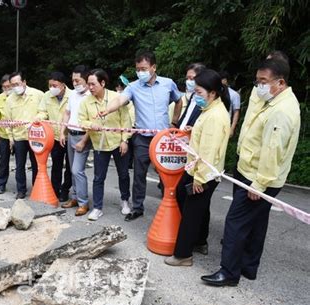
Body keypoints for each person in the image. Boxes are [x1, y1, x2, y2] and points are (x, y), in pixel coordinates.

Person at [201, 58, 300, 286]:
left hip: (258, 177)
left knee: (235, 221)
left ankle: (229, 272)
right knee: (257, 222)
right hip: (251, 170)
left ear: (281, 82)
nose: (259, 86)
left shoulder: (282, 111)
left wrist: (259, 184)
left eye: (263, 81)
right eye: (257, 81)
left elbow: (272, 151)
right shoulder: (274, 100)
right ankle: (249, 266)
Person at [102, 52, 182, 221]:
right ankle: (137, 207)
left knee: (168, 173)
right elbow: (120, 100)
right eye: (138, 69)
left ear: (154, 67)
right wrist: (108, 109)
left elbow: (179, 100)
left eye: (144, 69)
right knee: (139, 174)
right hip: (142, 139)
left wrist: (175, 123)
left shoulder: (168, 84)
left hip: (164, 139)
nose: (140, 72)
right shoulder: (133, 86)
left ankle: (174, 206)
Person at [164, 69, 231, 266]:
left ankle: (183, 254)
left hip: (203, 173)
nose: (196, 96)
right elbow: (206, 138)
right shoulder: (210, 110)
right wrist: (195, 131)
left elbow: (209, 150)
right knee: (189, 201)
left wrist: (199, 179)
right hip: (196, 169)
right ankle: (200, 241)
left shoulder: (215, 116)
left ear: (212, 93)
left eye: (199, 92)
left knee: (191, 211)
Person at [78, 69, 132, 221]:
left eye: (93, 84)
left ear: (102, 83)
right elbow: (81, 121)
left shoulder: (117, 98)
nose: (90, 87)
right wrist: (90, 125)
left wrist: (124, 140)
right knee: (98, 177)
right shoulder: (86, 102)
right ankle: (97, 207)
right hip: (99, 144)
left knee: (123, 174)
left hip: (117, 142)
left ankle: (125, 201)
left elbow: (126, 120)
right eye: (88, 84)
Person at [5, 71, 44, 199]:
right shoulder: (10, 99)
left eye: (17, 83)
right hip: (19, 137)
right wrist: (10, 138)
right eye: (12, 85)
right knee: (19, 165)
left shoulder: (38, 94)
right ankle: (21, 190)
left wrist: (35, 121)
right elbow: (8, 120)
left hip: (35, 136)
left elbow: (44, 112)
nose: (15, 87)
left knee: (36, 164)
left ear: (24, 82)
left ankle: (37, 187)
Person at [59, 65, 92, 216]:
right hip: (71, 134)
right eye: (73, 81)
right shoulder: (72, 95)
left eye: (78, 80)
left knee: (78, 170)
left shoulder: (91, 97)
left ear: (86, 79)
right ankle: (75, 198)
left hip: (83, 136)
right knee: (71, 168)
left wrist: (84, 141)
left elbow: (93, 122)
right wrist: (62, 132)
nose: (75, 83)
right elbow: (67, 113)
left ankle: (83, 202)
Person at [37, 71, 72, 202]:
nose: (52, 88)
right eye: (50, 85)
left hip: (70, 137)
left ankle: (65, 190)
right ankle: (54, 190)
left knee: (70, 167)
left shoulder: (72, 95)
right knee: (56, 165)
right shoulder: (47, 96)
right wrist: (38, 118)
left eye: (55, 85)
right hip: (55, 137)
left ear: (63, 85)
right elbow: (42, 112)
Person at [0, 74, 12, 194]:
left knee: (22, 162)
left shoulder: (20, 97)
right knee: (4, 160)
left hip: (20, 134)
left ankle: (23, 187)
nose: (7, 89)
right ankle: (2, 184)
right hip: (4, 134)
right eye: (4, 87)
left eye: (9, 86)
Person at [176, 63, 207, 130]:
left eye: (191, 78)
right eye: (187, 78)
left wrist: (193, 129)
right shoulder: (193, 95)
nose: (188, 81)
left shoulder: (206, 99)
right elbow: (186, 116)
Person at [219, 71, 241, 137]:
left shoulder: (234, 94)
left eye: (222, 79)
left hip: (226, 124)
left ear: (226, 80)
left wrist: (232, 128)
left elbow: (236, 112)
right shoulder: (214, 93)